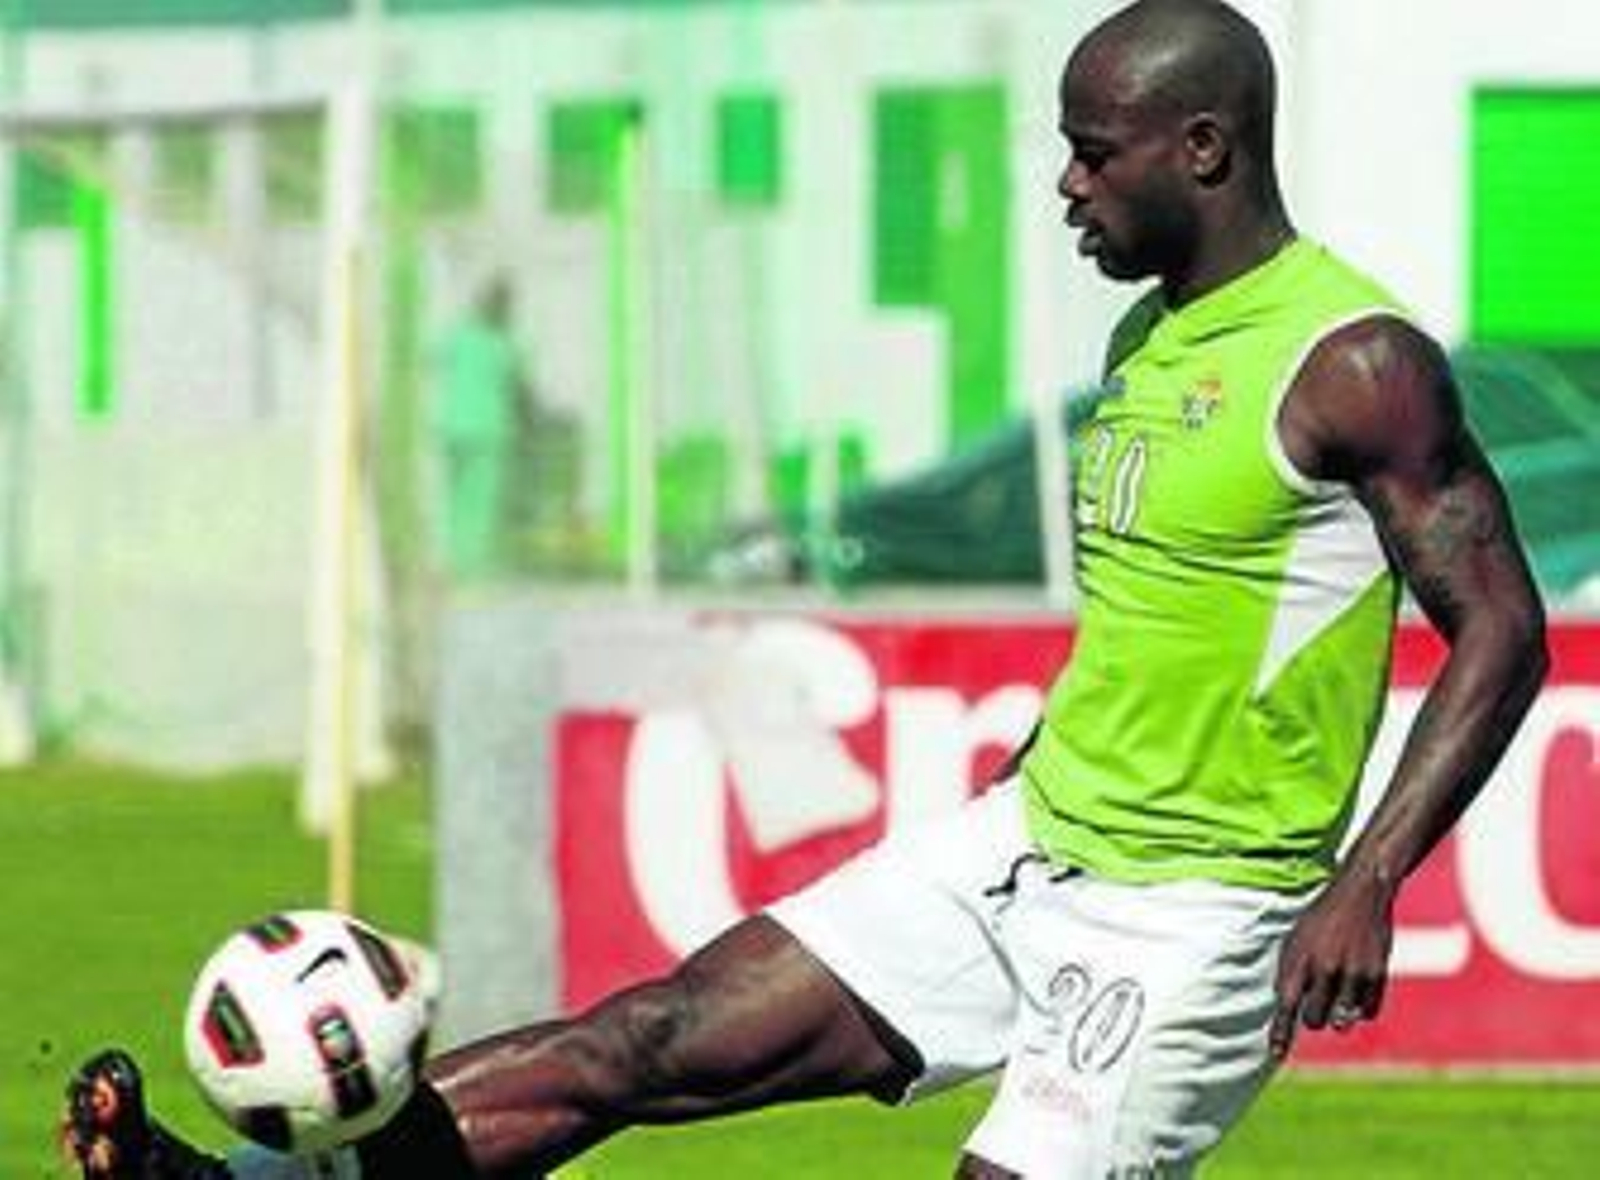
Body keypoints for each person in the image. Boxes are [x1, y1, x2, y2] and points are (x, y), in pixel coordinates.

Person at [66, 2, 1548, 1176]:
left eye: (1095, 153)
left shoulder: (1353, 360)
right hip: (1030, 844)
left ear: (1204, 149)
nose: (1067, 184)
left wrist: (1368, 878)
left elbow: (1501, 629)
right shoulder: (1144, 342)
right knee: (648, 1041)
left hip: (1196, 915)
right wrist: (1049, 766)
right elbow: (1165, 608)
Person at [430, 274, 529, 582]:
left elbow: (431, 357)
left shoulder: (457, 334)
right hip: (487, 430)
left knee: (451, 498)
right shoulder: (505, 344)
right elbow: (520, 386)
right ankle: (469, 567)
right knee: (479, 501)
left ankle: (448, 560)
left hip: (451, 426)